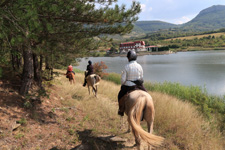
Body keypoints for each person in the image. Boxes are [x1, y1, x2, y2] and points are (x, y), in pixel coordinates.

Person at [118, 50, 147, 116]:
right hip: (139, 86)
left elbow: (123, 80)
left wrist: (123, 85)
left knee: (120, 95)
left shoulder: (126, 66)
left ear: (128, 58)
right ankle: (146, 112)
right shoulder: (139, 66)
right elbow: (141, 77)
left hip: (128, 86)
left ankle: (121, 110)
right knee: (147, 94)